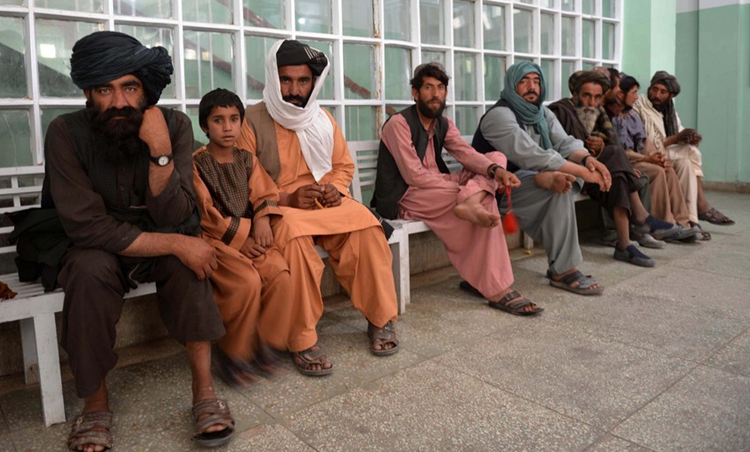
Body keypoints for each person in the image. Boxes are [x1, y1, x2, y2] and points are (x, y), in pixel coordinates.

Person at [43, 31, 233, 451]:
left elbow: (178, 215)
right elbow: (87, 228)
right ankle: (95, 404)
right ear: (88, 93)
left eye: (129, 87)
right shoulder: (65, 132)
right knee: (88, 271)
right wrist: (178, 243)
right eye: (104, 90)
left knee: (191, 261)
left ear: (145, 89)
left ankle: (204, 391)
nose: (118, 102)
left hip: (158, 231)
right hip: (95, 245)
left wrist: (161, 152)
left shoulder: (176, 125)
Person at [238, 39, 399, 377]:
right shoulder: (251, 120)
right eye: (286, 80)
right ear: (272, 77)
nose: (295, 90)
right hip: (281, 208)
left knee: (367, 227)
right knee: (295, 243)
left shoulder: (321, 117)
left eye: (303, 81)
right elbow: (244, 177)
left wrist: (335, 190)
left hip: (326, 206)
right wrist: (286, 199)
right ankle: (302, 338)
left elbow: (342, 165)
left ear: (314, 82)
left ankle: (381, 318)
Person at [374, 62, 541, 316]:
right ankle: (497, 288)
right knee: (486, 200)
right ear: (415, 93)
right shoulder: (399, 124)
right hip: (408, 196)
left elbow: (467, 154)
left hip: (439, 190)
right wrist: (462, 186)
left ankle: (471, 204)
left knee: (495, 157)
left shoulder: (443, 123)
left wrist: (496, 172)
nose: (436, 94)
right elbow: (414, 176)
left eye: (441, 87)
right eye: (428, 87)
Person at [473, 62, 607, 293]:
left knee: (561, 185)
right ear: (511, 85)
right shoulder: (499, 115)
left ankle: (546, 179)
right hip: (495, 188)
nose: (531, 87)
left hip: (528, 179)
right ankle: (563, 271)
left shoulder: (542, 113)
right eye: (524, 81)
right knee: (560, 186)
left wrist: (587, 160)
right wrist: (583, 173)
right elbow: (531, 155)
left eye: (536, 81)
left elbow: (565, 142)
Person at [192, 88, 292, 386]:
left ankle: (266, 343)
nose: (227, 127)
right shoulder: (197, 163)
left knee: (279, 273)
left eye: (234, 119)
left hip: (247, 237)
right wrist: (243, 237)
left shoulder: (247, 159)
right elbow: (206, 214)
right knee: (245, 282)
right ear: (204, 126)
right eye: (218, 120)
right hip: (217, 241)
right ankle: (233, 352)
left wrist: (262, 220)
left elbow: (265, 192)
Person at [548, 70, 695, 266]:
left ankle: (624, 245)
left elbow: (610, 143)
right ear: (575, 95)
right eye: (586, 95)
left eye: (597, 97)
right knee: (616, 156)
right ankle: (642, 217)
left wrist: (603, 152)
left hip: (598, 171)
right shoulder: (560, 111)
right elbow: (562, 148)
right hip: (570, 172)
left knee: (619, 177)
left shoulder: (597, 112)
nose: (592, 102)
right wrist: (597, 152)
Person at [633, 71, 735, 227]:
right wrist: (677, 138)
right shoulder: (640, 105)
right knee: (691, 153)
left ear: (671, 96)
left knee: (686, 163)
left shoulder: (670, 112)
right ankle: (701, 205)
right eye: (654, 89)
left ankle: (689, 220)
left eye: (663, 92)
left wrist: (689, 139)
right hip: (646, 153)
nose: (656, 95)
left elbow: (678, 133)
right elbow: (647, 142)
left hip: (665, 153)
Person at [606, 74, 696, 236]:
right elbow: (619, 151)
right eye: (633, 93)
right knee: (657, 171)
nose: (636, 97)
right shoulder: (614, 118)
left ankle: (683, 222)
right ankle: (665, 224)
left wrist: (658, 157)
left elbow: (645, 142)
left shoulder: (632, 115)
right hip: (626, 162)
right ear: (620, 94)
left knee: (666, 168)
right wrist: (649, 159)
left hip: (638, 158)